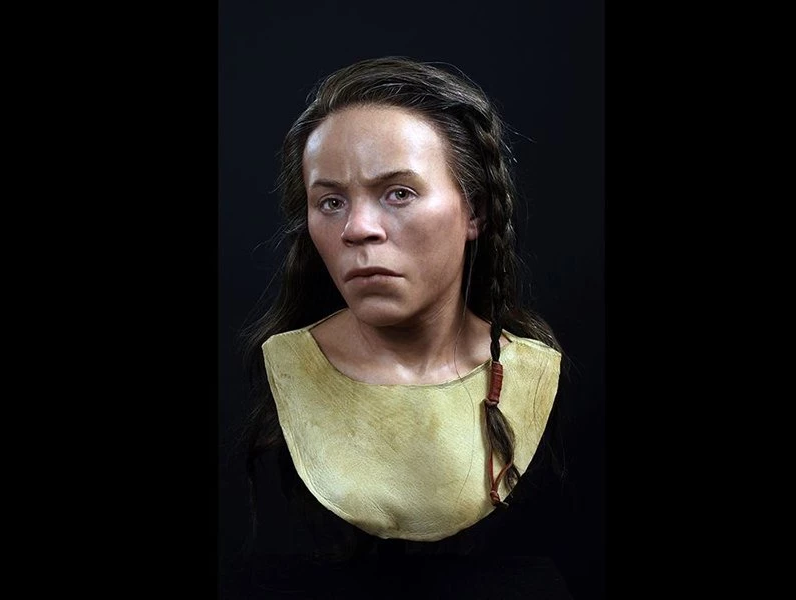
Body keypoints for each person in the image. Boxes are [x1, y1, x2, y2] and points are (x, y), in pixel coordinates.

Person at [235, 56, 570, 598]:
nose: (357, 229)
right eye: (330, 202)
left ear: (473, 212)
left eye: (399, 193)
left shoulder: (531, 376)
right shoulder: (273, 375)